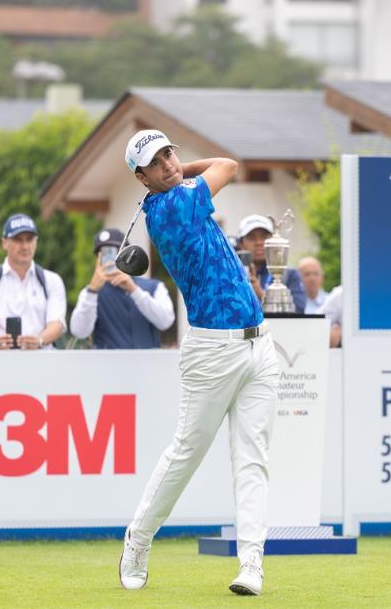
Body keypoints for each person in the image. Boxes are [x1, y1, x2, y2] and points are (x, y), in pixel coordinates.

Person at [119, 129, 280, 597]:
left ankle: (251, 564)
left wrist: (172, 172)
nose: (169, 163)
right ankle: (139, 538)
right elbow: (228, 164)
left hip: (259, 344)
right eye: (156, 161)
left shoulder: (177, 191)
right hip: (213, 350)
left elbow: (219, 167)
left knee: (253, 459)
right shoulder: (169, 209)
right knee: (187, 453)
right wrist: (180, 175)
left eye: (170, 153)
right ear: (140, 177)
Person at [0, 213, 67, 350]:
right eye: (18, 239)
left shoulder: (52, 281)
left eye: (29, 239)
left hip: (40, 364)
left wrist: (39, 341)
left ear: (36, 241)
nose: (25, 246)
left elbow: (57, 324)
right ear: (4, 243)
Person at [69, 227, 175, 348]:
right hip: (107, 366)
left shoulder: (154, 287)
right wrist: (92, 291)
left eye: (115, 252)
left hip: (147, 365)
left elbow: (166, 321)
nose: (111, 259)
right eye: (103, 254)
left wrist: (134, 290)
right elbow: (79, 332)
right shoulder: (90, 293)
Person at [237, 214, 307, 314]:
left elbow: (298, 310)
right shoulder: (232, 276)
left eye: (264, 236)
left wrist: (262, 297)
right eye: (251, 237)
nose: (259, 242)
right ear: (240, 244)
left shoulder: (290, 275)